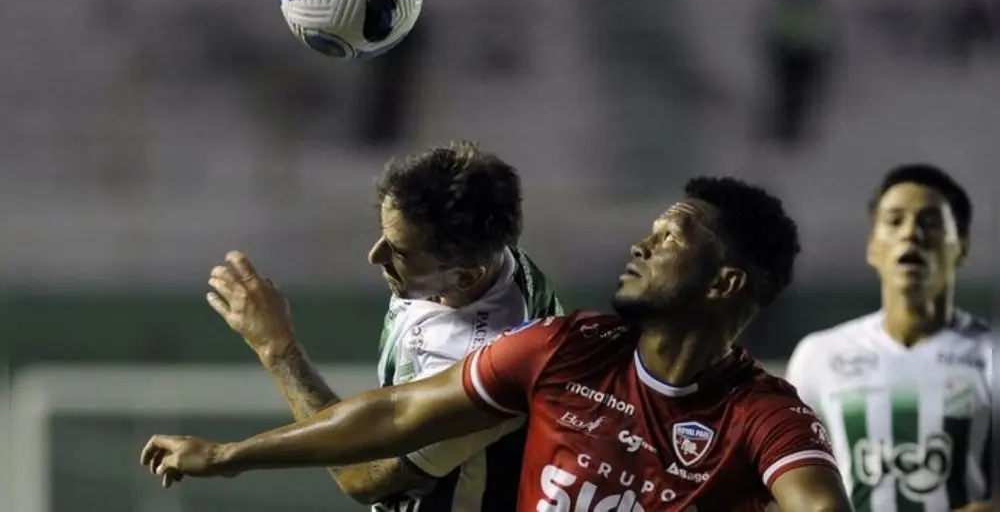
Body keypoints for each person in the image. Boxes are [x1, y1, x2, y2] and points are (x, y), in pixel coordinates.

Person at [142, 177, 854, 512]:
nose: (642, 242)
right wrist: (228, 457)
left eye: (672, 236)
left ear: (726, 283)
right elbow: (392, 417)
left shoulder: (764, 416)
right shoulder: (570, 349)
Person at [204, 141, 562, 511]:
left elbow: (361, 475)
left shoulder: (487, 365)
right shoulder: (485, 259)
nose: (375, 255)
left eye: (400, 251)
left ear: (466, 276)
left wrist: (276, 348)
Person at [785, 164, 992, 512]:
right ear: (872, 247)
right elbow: (786, 485)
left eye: (930, 221)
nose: (911, 233)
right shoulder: (819, 355)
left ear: (963, 246)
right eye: (895, 221)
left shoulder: (991, 353)